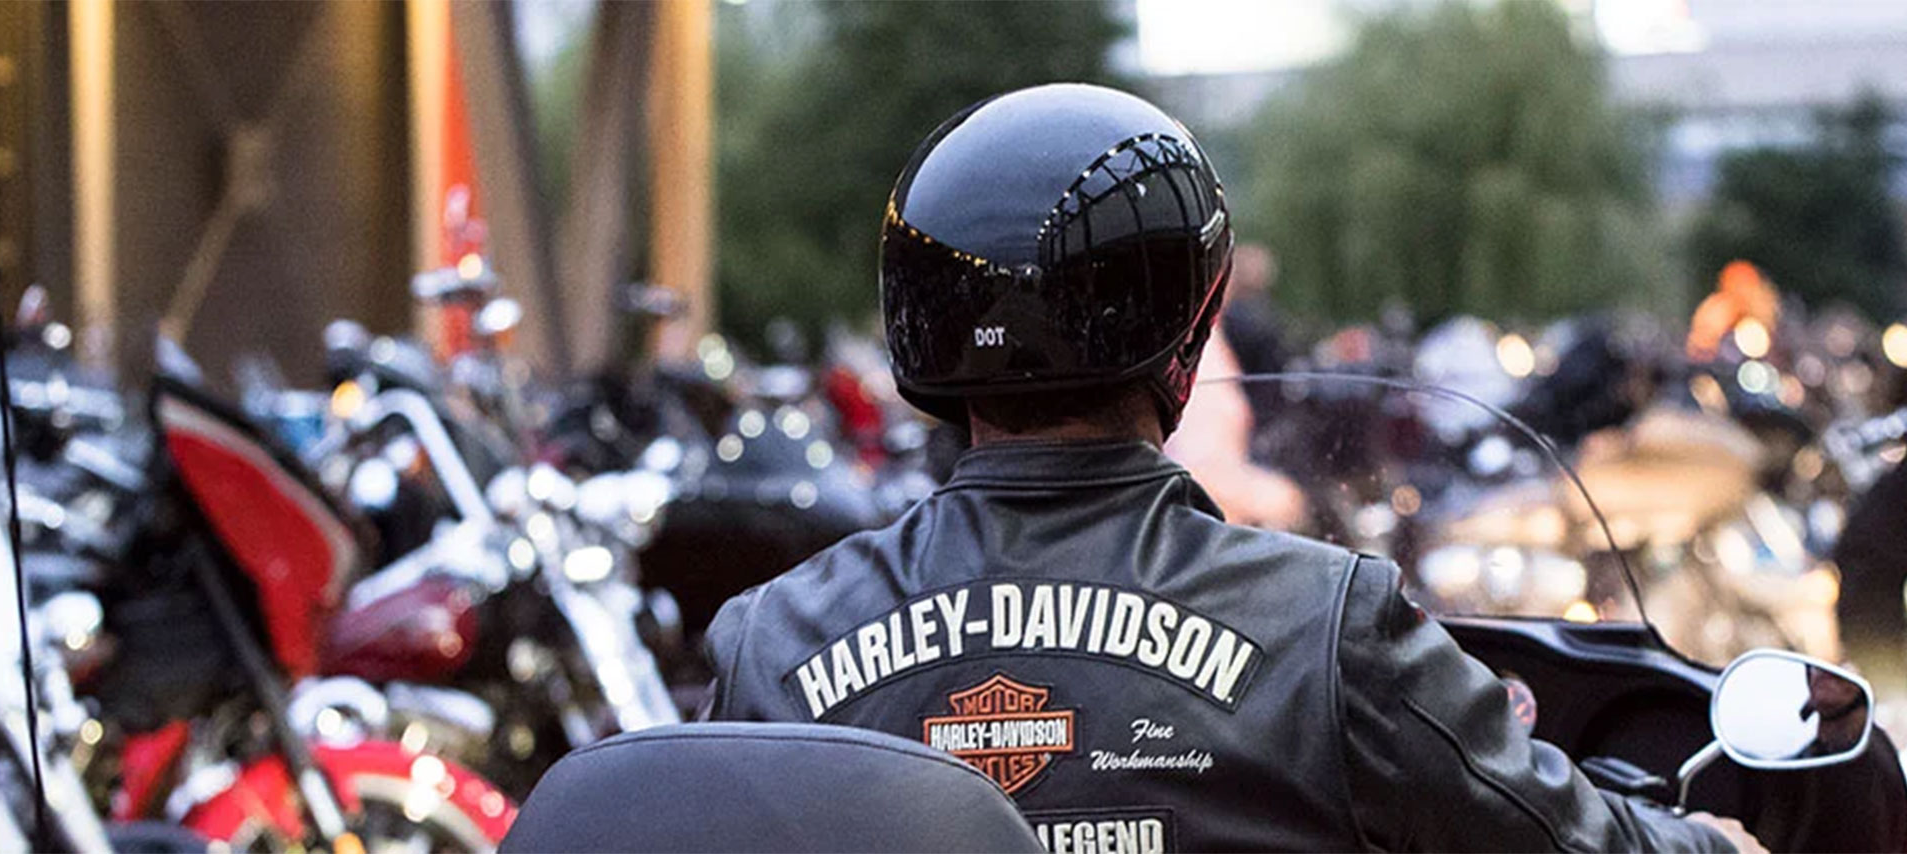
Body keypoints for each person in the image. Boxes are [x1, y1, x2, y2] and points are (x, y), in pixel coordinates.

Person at [703, 83, 1761, 852]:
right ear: (1191, 331)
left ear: (917, 329)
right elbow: (1565, 838)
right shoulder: (1328, 630)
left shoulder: (773, 646)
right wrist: (1710, 841)